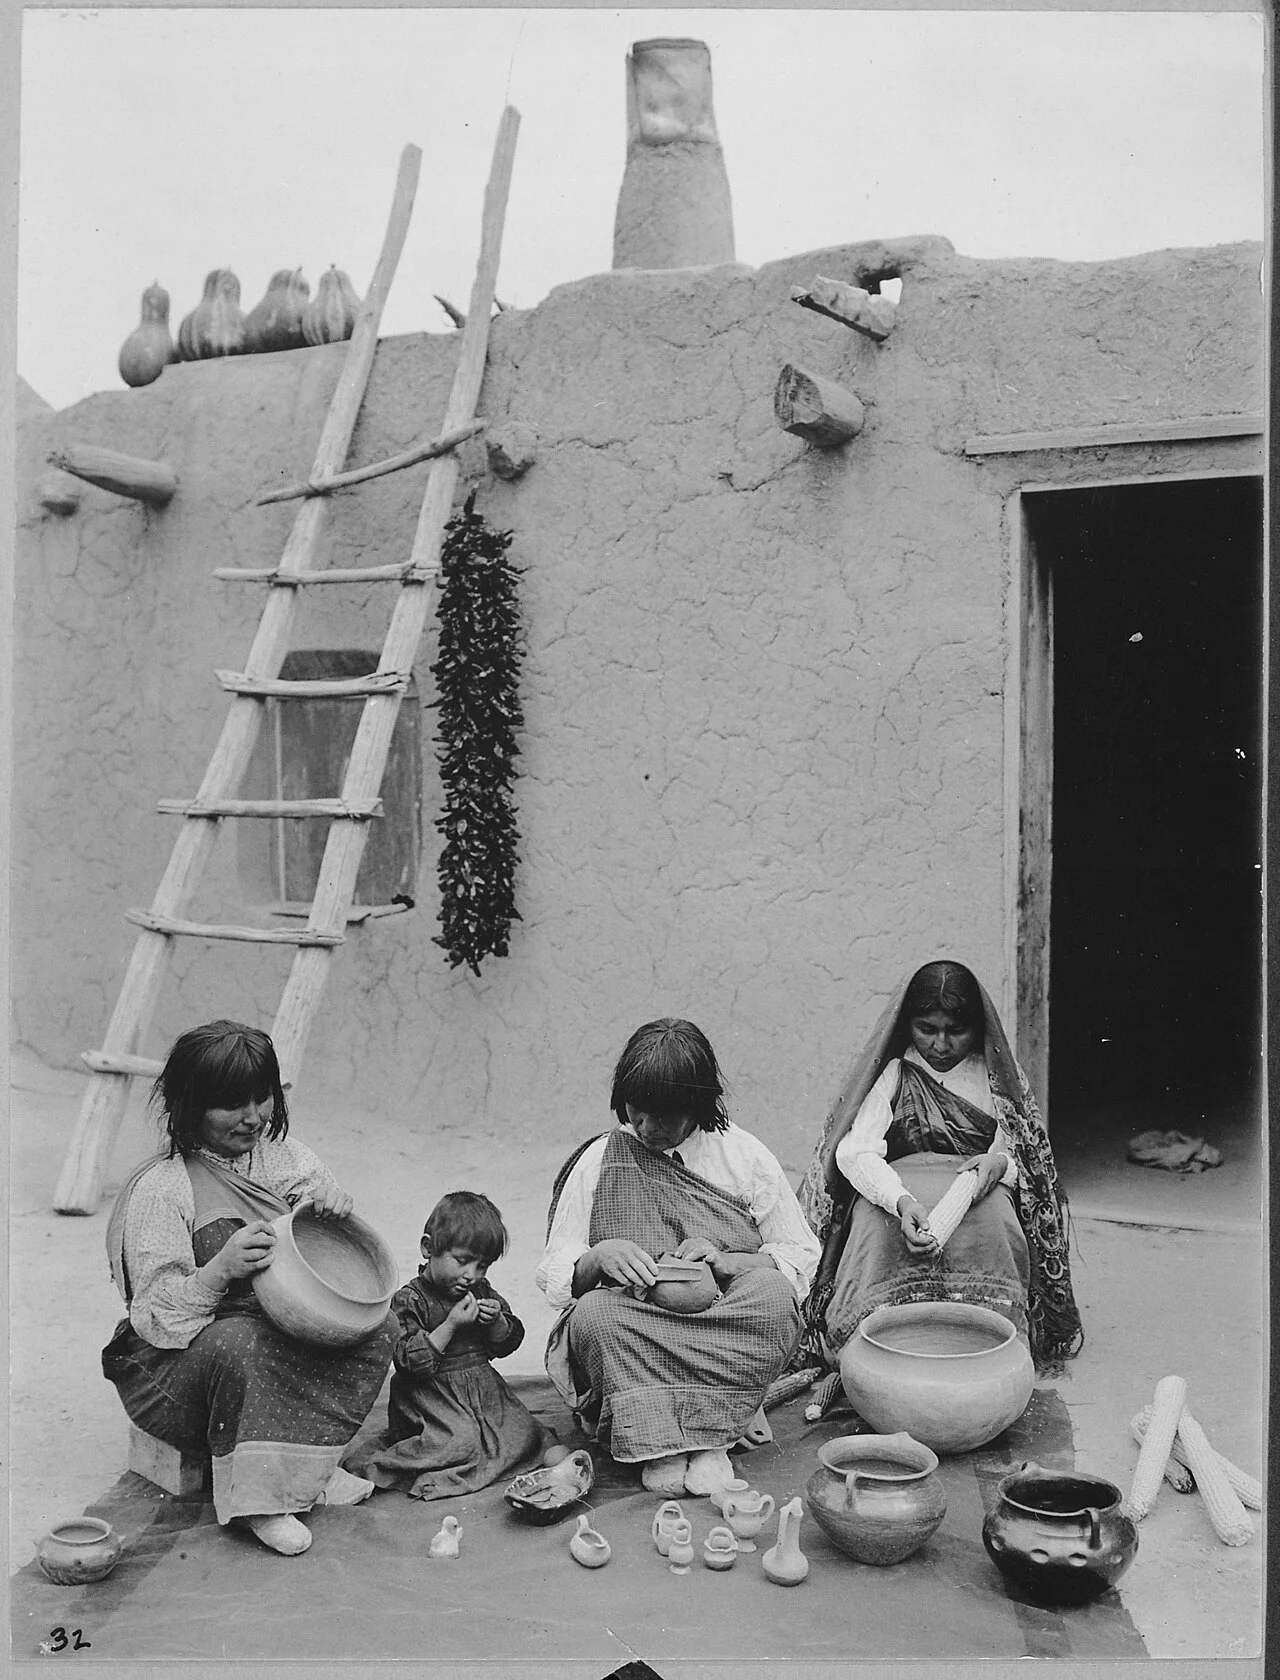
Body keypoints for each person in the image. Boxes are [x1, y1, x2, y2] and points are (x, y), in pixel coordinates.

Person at [102, 1020, 395, 1556]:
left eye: (261, 1098)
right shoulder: (165, 1187)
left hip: (269, 1331)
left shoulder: (284, 1156)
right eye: (232, 1105)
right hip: (177, 1368)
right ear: (190, 1106)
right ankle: (257, 1503)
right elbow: (157, 1321)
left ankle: (309, 1472)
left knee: (380, 1322)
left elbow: (325, 1236)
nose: (253, 1117)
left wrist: (331, 1206)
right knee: (241, 1342)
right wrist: (220, 1269)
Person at [537, 1019, 821, 1499]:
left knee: (774, 1301)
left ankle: (713, 1440)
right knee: (592, 1318)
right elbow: (555, 1275)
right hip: (638, 1317)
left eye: (663, 1117)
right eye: (637, 1112)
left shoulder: (743, 1156)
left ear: (697, 1105)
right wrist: (599, 1258)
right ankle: (661, 1443)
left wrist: (728, 1262)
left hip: (720, 1316)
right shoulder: (602, 1159)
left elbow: (800, 1257)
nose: (646, 1128)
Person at [797, 960, 1083, 1375]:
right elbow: (855, 1153)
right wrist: (899, 1201)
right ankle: (867, 1341)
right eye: (927, 1029)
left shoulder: (996, 1078)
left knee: (997, 1224)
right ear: (907, 1025)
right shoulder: (894, 1072)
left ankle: (994, 1339)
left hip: (976, 1191)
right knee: (874, 1230)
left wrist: (998, 1164)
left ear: (978, 1027)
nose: (942, 1045)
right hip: (895, 1192)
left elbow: (1027, 1159)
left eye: (956, 1030)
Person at [344, 1190, 543, 1499]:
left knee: (523, 1428)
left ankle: (473, 1455)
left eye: (482, 1266)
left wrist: (497, 1323)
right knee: (459, 1441)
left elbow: (507, 1344)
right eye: (462, 1261)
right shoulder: (410, 1299)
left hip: (481, 1391)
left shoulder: (481, 1290)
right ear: (428, 1248)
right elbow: (408, 1362)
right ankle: (388, 1466)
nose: (471, 1275)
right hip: (430, 1399)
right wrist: (449, 1326)